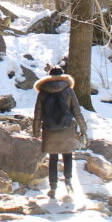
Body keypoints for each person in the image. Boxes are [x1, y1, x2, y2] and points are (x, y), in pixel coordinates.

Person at [32, 67, 87, 199]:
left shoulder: (42, 92)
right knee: (68, 155)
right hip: (66, 128)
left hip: (49, 129)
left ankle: (53, 187)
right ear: (62, 76)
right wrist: (83, 128)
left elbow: (38, 113)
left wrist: (35, 131)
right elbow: (76, 111)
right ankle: (68, 181)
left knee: (53, 158)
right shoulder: (69, 90)